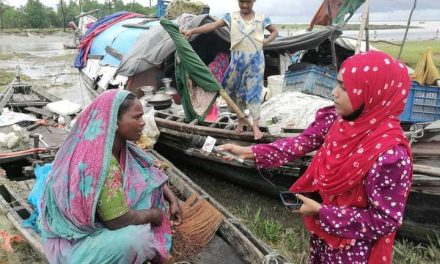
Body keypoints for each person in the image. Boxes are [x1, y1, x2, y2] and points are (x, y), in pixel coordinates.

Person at [218, 51, 413, 263]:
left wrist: (322, 212)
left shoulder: (391, 155)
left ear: (372, 93)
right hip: (323, 237)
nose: (334, 93)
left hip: (353, 251)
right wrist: (248, 152)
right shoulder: (338, 121)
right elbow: (299, 144)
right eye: (337, 84)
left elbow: (385, 221)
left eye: (345, 88)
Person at [39, 90, 183, 264]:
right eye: (136, 118)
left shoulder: (123, 148)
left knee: (143, 200)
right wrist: (155, 215)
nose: (143, 123)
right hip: (76, 242)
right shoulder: (101, 163)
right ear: (114, 121)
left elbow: (148, 173)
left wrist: (172, 199)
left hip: (104, 223)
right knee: (137, 240)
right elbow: (116, 221)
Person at [181, 0, 278, 140]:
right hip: (237, 62)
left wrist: (267, 41)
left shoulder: (262, 18)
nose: (244, 5)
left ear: (254, 1)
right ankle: (241, 118)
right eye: (242, 2)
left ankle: (255, 125)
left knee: (254, 91)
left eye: (248, 2)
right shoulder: (231, 16)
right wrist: (192, 31)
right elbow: (213, 25)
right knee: (232, 91)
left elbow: (274, 31)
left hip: (255, 62)